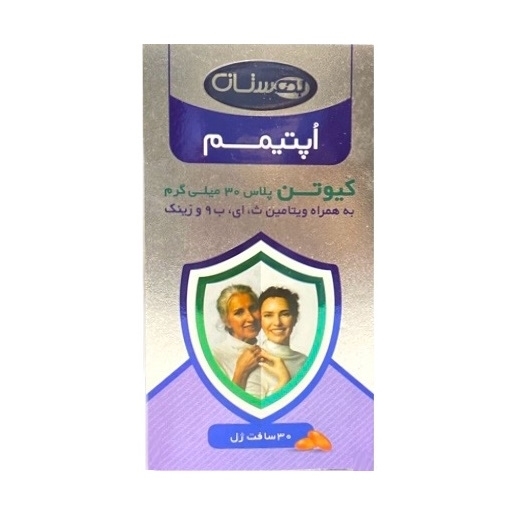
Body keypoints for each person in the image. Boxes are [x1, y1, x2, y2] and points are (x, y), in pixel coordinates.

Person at [258, 286, 307, 396]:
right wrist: (284, 379)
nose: (277, 322)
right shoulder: (253, 361)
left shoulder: (305, 362)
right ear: (260, 320)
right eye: (268, 315)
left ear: (294, 319)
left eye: (285, 314)